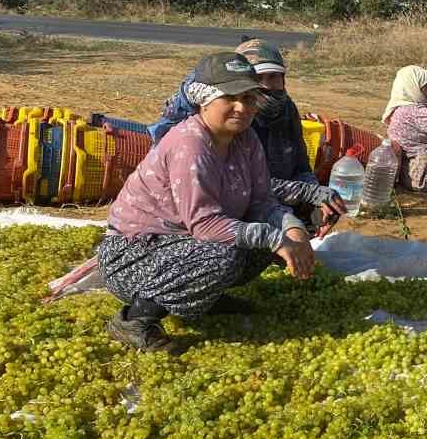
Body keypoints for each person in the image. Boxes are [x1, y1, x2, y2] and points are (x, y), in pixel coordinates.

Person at [98, 51, 317, 352]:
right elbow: (205, 224)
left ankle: (204, 296)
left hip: (181, 247)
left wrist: (293, 231)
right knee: (226, 254)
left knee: (267, 241)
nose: (242, 107)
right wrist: (274, 237)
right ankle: (135, 319)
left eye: (250, 98)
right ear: (205, 99)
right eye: (231, 97)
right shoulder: (190, 144)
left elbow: (262, 201)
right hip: (133, 255)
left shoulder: (246, 139)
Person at [149, 38, 343, 228]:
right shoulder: (234, 119)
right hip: (225, 208)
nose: (267, 86)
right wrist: (308, 192)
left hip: (273, 200)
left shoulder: (286, 110)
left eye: (274, 77)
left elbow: (301, 167)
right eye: (258, 78)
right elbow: (245, 187)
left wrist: (318, 198)